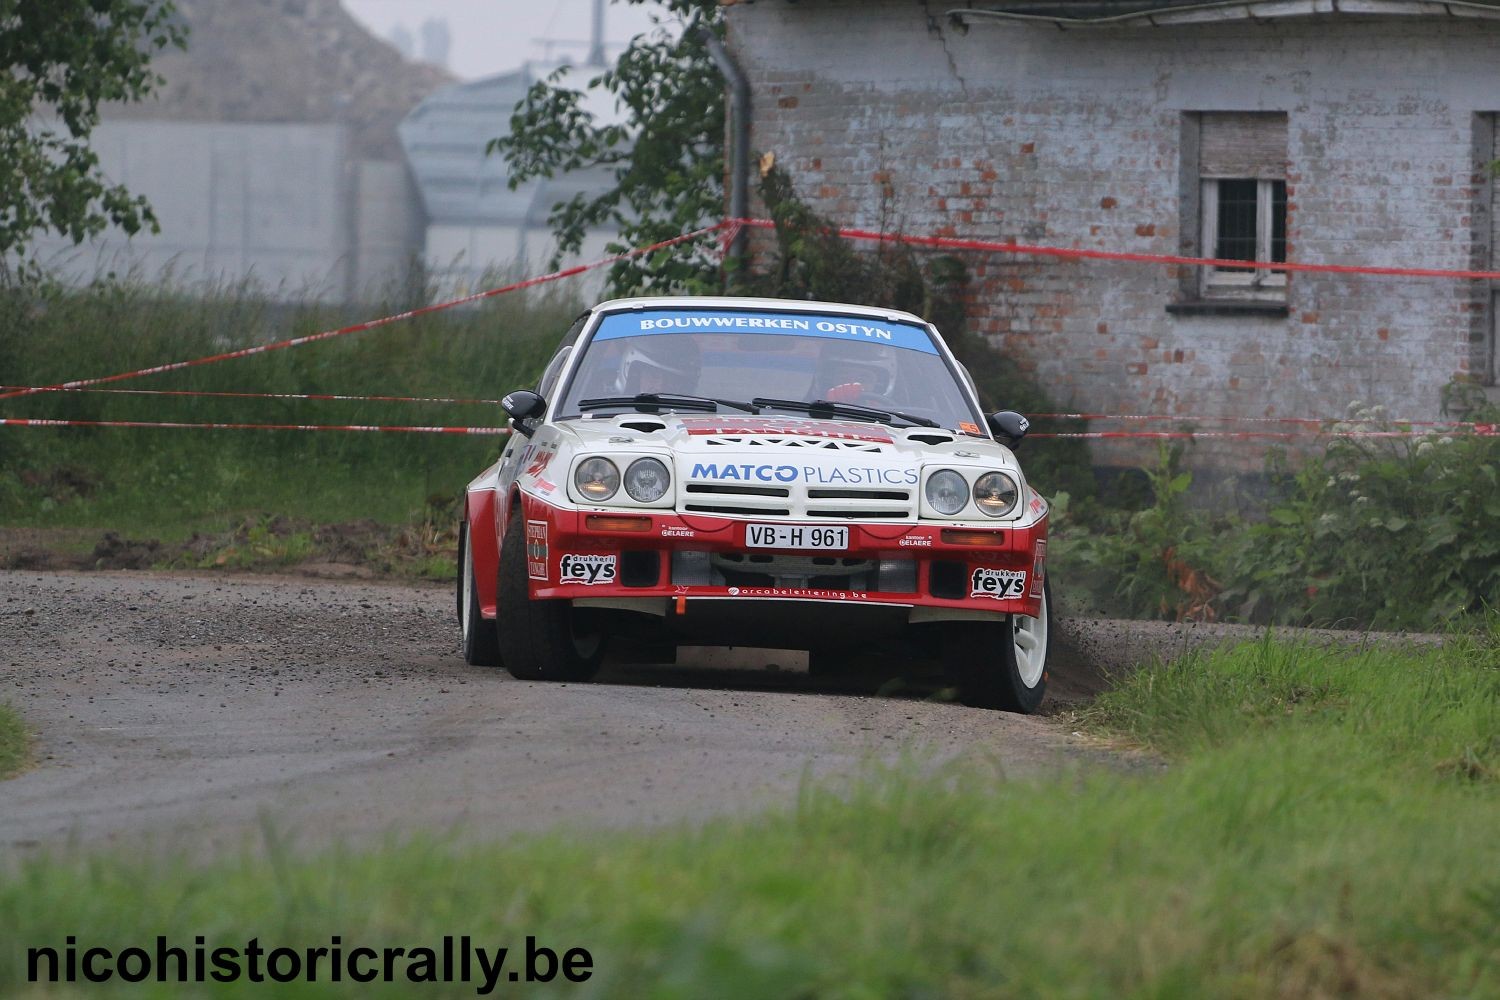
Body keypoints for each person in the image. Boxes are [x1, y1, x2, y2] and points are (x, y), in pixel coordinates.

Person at [614, 335, 702, 396]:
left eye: (671, 379)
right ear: (634, 375)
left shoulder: (703, 409)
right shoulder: (603, 413)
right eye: (653, 375)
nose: (660, 387)